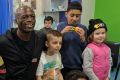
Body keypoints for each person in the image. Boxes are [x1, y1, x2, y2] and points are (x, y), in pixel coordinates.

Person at [0, 6, 45, 80]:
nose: (30, 20)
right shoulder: (4, 41)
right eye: (24, 17)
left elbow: (54, 45)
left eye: (32, 16)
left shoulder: (40, 38)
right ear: (16, 21)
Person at [57, 1, 87, 79]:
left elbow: (86, 49)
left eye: (77, 16)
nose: (74, 18)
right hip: (63, 64)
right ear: (66, 14)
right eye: (72, 15)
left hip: (78, 64)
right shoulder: (60, 26)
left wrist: (83, 38)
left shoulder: (83, 28)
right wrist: (61, 34)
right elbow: (55, 46)